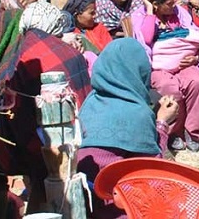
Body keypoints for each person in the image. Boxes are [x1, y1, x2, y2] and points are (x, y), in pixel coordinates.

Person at [0, 0, 90, 213]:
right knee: (70, 192)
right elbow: (83, 94)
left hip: (37, 141)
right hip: (76, 137)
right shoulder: (68, 53)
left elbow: (15, 108)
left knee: (42, 190)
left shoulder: (19, 56)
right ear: (54, 24)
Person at [76, 39, 179, 219]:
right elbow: (153, 172)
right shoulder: (136, 113)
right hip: (122, 208)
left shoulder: (89, 103)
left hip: (89, 206)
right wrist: (162, 122)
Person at [131, 0, 199, 153]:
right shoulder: (140, 16)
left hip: (184, 63)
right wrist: (150, 12)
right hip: (157, 67)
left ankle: (193, 132)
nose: (173, 5)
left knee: (196, 82)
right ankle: (173, 133)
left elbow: (193, 35)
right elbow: (146, 40)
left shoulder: (179, 13)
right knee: (170, 88)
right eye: (169, 3)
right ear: (155, 3)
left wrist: (194, 57)